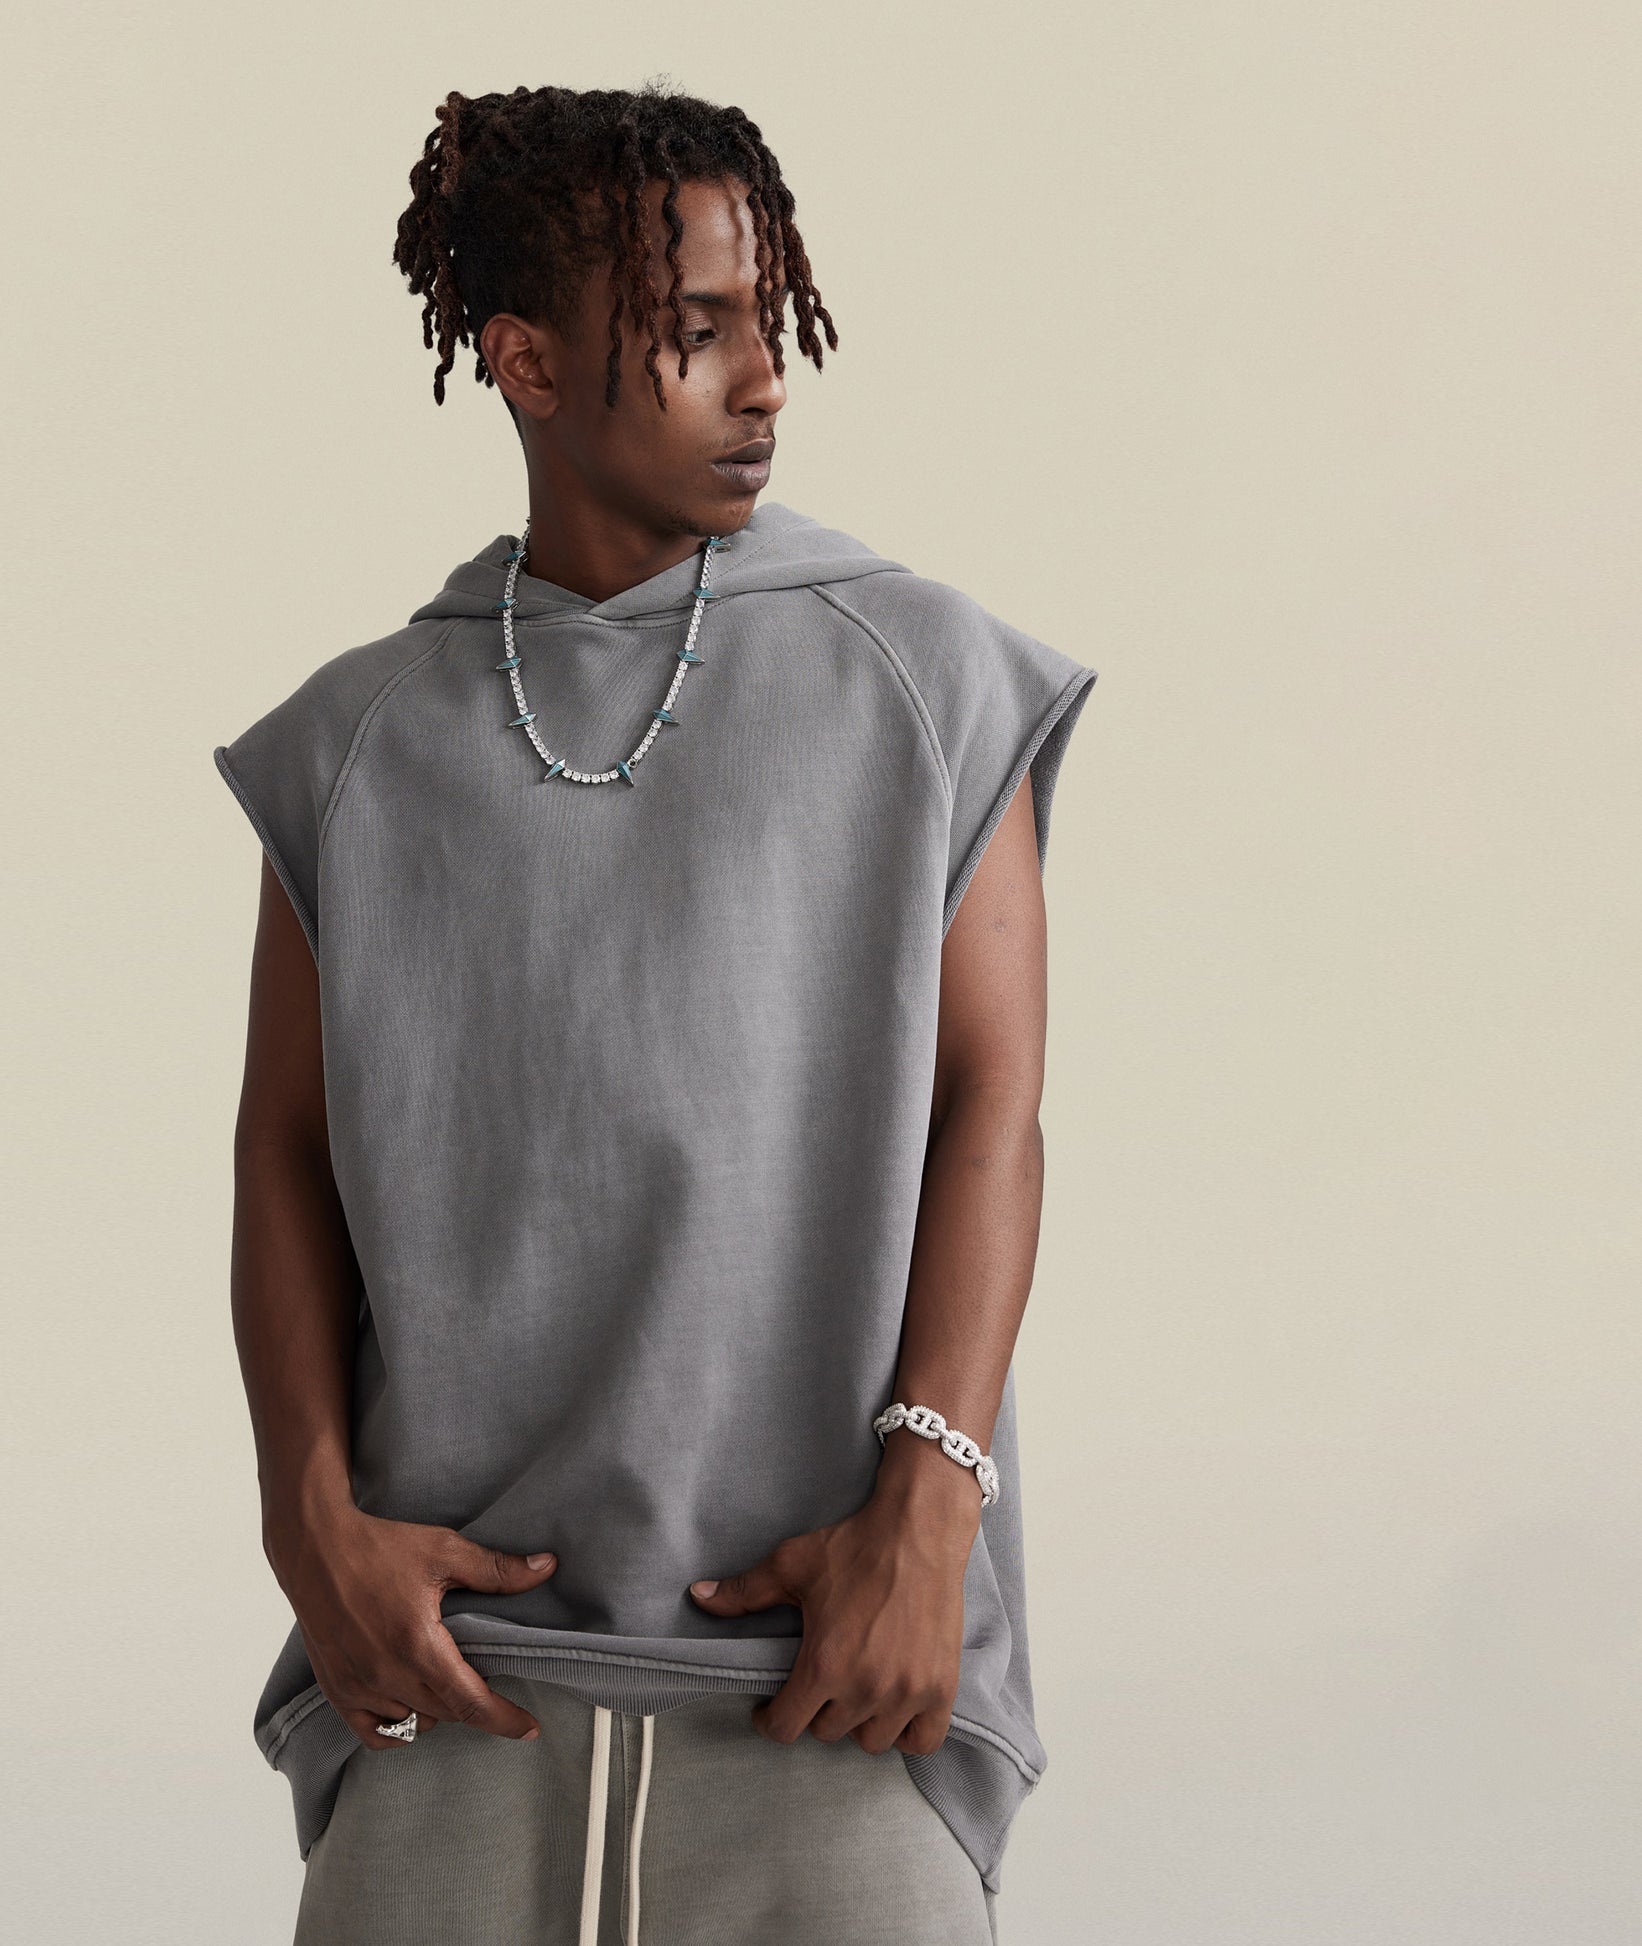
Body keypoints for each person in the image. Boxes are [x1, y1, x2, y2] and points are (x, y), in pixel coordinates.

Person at [215, 82, 1095, 1946]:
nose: (764, 380)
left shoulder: (923, 677)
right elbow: (282, 1150)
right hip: (450, 1700)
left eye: (765, 321)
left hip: (831, 1693)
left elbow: (993, 1104)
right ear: (526, 361)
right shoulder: (357, 741)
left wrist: (928, 1512)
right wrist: (310, 1522)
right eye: (698, 331)